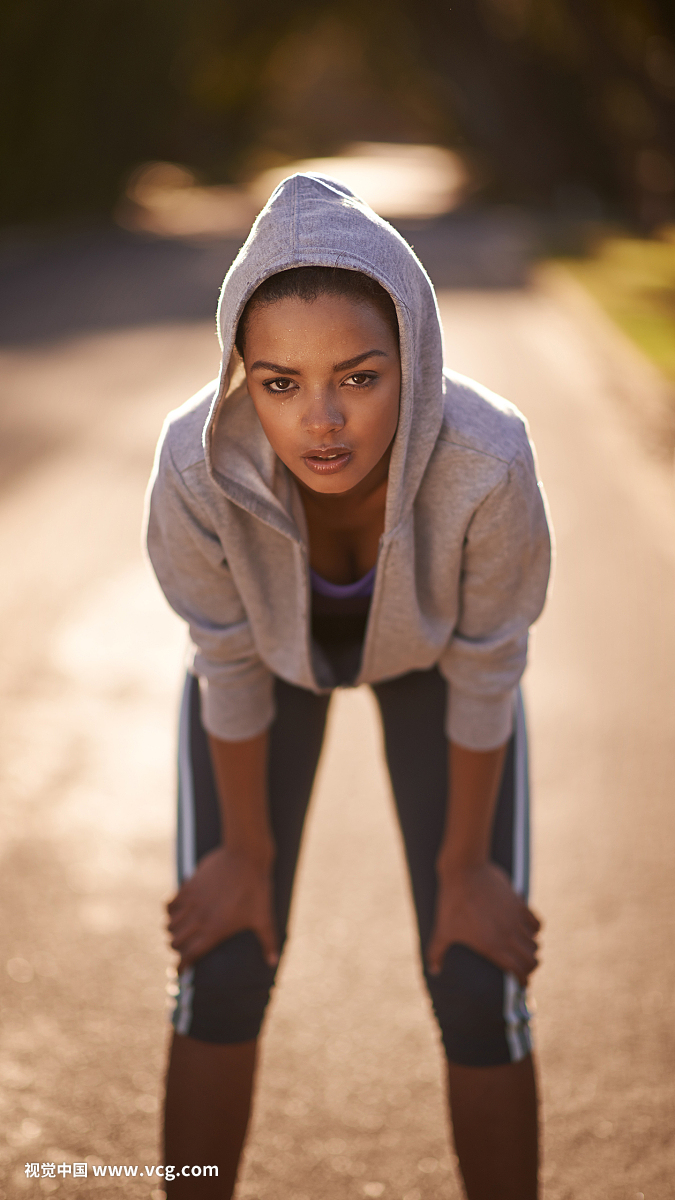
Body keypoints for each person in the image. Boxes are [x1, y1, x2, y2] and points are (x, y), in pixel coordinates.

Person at [145, 172, 552, 1199]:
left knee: (477, 977)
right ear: (242, 372)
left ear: (411, 353)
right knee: (225, 963)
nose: (320, 421)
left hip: (439, 670)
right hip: (269, 678)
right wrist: (243, 851)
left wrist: (467, 868)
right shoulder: (195, 470)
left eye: (359, 378)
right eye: (279, 382)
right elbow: (227, 656)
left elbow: (489, 658)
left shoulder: (487, 458)